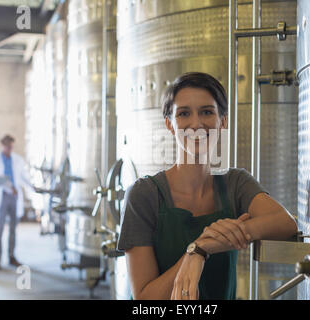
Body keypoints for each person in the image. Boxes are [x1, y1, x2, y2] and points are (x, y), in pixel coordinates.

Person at [117, 72, 298, 300]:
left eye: (206, 112)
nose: (196, 124)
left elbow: (287, 223)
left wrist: (207, 246)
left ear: (223, 121)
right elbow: (145, 298)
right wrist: (195, 252)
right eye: (184, 114)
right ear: (169, 125)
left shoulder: (235, 184)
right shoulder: (144, 195)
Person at [0, 135, 32, 270]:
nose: (10, 149)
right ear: (3, 145)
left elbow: (23, 177)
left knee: (13, 228)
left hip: (15, 197)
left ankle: (11, 256)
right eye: (7, 146)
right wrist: (10, 187)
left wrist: (33, 188)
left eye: (11, 146)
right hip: (2, 196)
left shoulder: (17, 160)